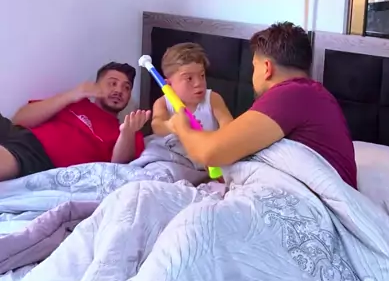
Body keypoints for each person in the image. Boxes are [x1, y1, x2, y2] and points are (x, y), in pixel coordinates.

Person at [165, 22, 357, 188]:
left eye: (254, 66)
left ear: (266, 68)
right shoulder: (312, 95)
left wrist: (182, 127)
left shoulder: (290, 95)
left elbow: (210, 152)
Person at [0, 62, 150, 182]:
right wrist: (72, 95)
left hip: (36, 155)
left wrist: (127, 133)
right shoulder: (76, 101)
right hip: (18, 133)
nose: (119, 91)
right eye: (112, 83)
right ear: (97, 85)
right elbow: (19, 119)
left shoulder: (128, 130)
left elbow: (118, 168)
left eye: (126, 88)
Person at [151, 43, 232, 151]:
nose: (198, 83)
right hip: (174, 155)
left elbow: (228, 126)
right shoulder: (163, 103)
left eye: (202, 75)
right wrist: (171, 126)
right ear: (169, 85)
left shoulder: (212, 99)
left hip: (206, 153)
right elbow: (157, 125)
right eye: (189, 78)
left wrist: (214, 140)